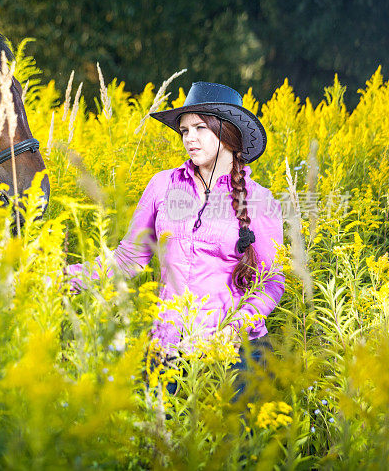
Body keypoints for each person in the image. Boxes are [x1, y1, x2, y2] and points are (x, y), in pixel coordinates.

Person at [65, 82, 284, 371]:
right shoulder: (162, 185)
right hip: (166, 345)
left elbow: (270, 282)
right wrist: (64, 279)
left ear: (228, 133)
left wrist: (231, 330)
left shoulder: (259, 199)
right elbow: (128, 259)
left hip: (236, 351)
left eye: (200, 128)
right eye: (184, 131)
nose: (190, 138)